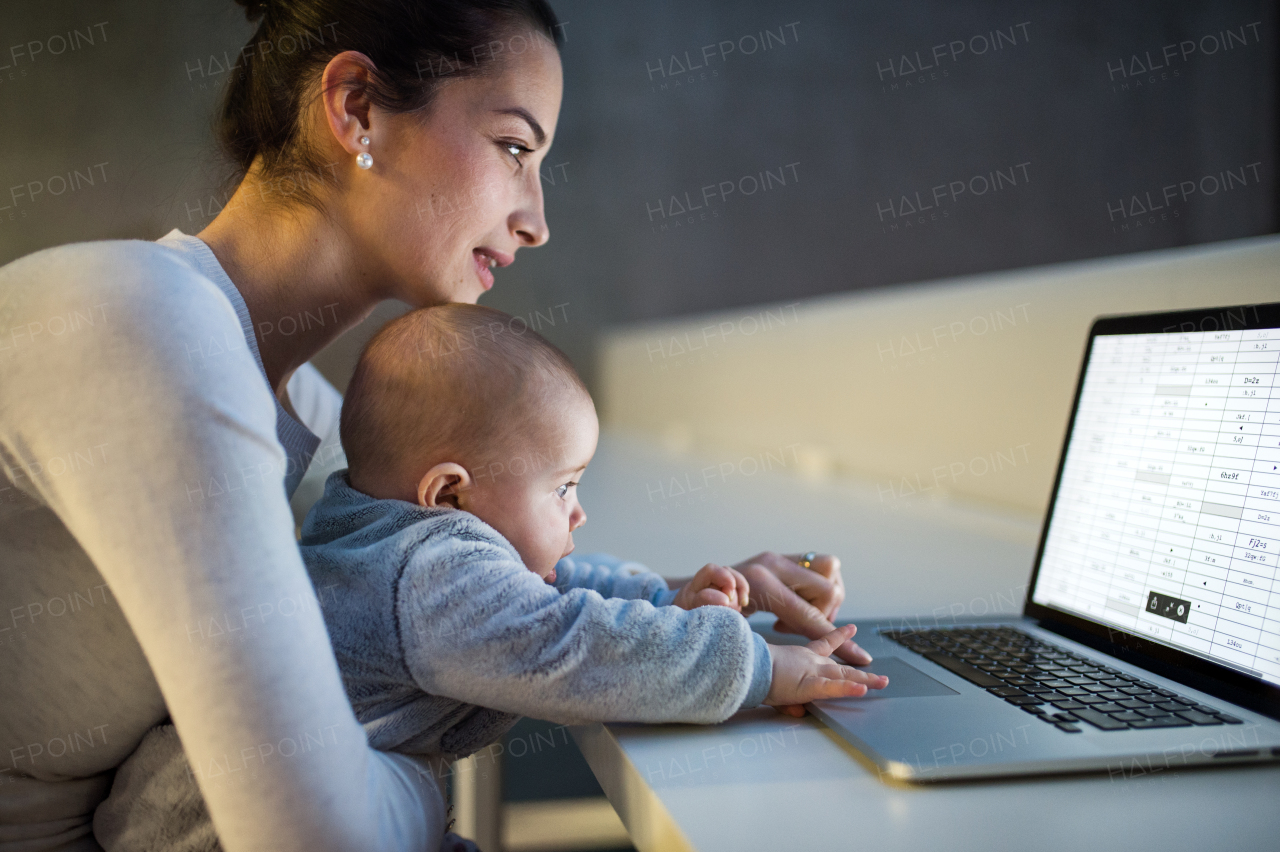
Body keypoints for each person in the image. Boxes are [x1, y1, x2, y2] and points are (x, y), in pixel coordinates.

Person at [0, 1, 863, 850]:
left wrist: (686, 596)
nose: (537, 221)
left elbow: (480, 588)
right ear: (358, 108)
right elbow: (316, 838)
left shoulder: (307, 415)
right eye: (515, 149)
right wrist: (423, 787)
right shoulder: (143, 326)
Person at [95, 304, 886, 851]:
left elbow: (556, 587)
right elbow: (568, 647)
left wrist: (668, 600)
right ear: (449, 494)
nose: (579, 515)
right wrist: (760, 668)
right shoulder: (431, 574)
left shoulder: (386, 531)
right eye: (564, 487)